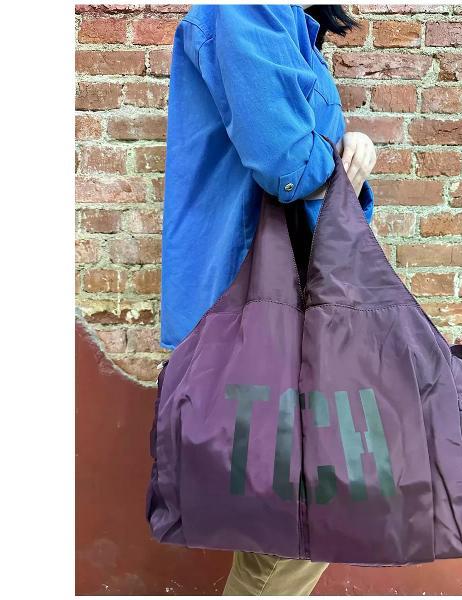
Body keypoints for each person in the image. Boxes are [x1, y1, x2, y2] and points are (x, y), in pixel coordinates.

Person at [160, 4, 377, 595]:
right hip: (258, 314)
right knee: (302, 522)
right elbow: (291, 166)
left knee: (284, 525)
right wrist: (344, 150)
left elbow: (306, 161)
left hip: (275, 311)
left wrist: (348, 146)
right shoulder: (250, 11)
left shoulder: (288, 26)